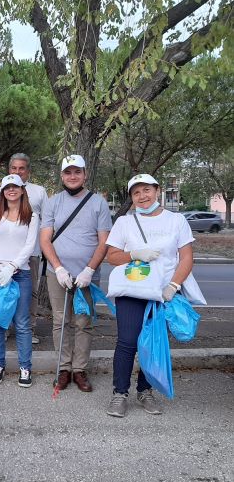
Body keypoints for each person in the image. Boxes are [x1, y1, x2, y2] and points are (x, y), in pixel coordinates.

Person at [105, 174, 194, 417]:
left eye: (146, 190)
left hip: (163, 293)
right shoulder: (124, 222)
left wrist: (174, 286)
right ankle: (119, 394)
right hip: (132, 290)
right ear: (131, 197)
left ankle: (145, 391)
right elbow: (111, 256)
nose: (142, 196)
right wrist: (134, 253)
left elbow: (186, 257)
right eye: (136, 193)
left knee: (153, 342)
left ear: (157, 190)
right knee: (127, 342)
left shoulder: (176, 221)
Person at [40, 154, 112, 392]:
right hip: (57, 273)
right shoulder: (53, 202)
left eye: (77, 172)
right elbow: (45, 240)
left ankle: (79, 370)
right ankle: (63, 369)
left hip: (87, 276)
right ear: (62, 176)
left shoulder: (98, 202)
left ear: (85, 174)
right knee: (61, 321)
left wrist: (89, 270)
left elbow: (104, 241)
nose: (72, 176)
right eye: (68, 172)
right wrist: (58, 267)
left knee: (83, 322)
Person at [0, 175, 39, 387]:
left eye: (15, 186)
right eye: (7, 187)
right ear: (3, 191)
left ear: (22, 190)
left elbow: (29, 245)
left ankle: (25, 368)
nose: (11, 190)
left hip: (20, 274)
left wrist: (13, 266)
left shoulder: (32, 217)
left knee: (22, 323)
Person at [0, 153, 48, 344]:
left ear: (28, 171)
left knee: (30, 292)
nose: (18, 171)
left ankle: (29, 328)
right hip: (4, 254)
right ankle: (6, 326)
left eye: (22, 168)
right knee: (5, 290)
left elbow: (46, 222)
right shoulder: (0, 190)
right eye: (14, 168)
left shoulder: (39, 191)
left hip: (30, 253)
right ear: (9, 170)